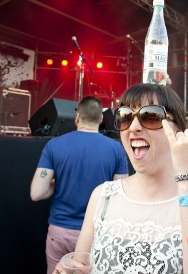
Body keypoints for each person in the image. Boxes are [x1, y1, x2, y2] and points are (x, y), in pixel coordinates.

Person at [54, 83, 188, 273]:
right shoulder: (103, 196)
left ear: (177, 130)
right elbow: (80, 265)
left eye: (151, 117)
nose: (133, 127)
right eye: (125, 117)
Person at [30, 96, 129, 274]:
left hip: (61, 232)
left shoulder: (54, 145)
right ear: (100, 119)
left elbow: (37, 193)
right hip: (96, 234)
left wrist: (58, 183)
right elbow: (121, 194)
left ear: (77, 117)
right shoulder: (116, 149)